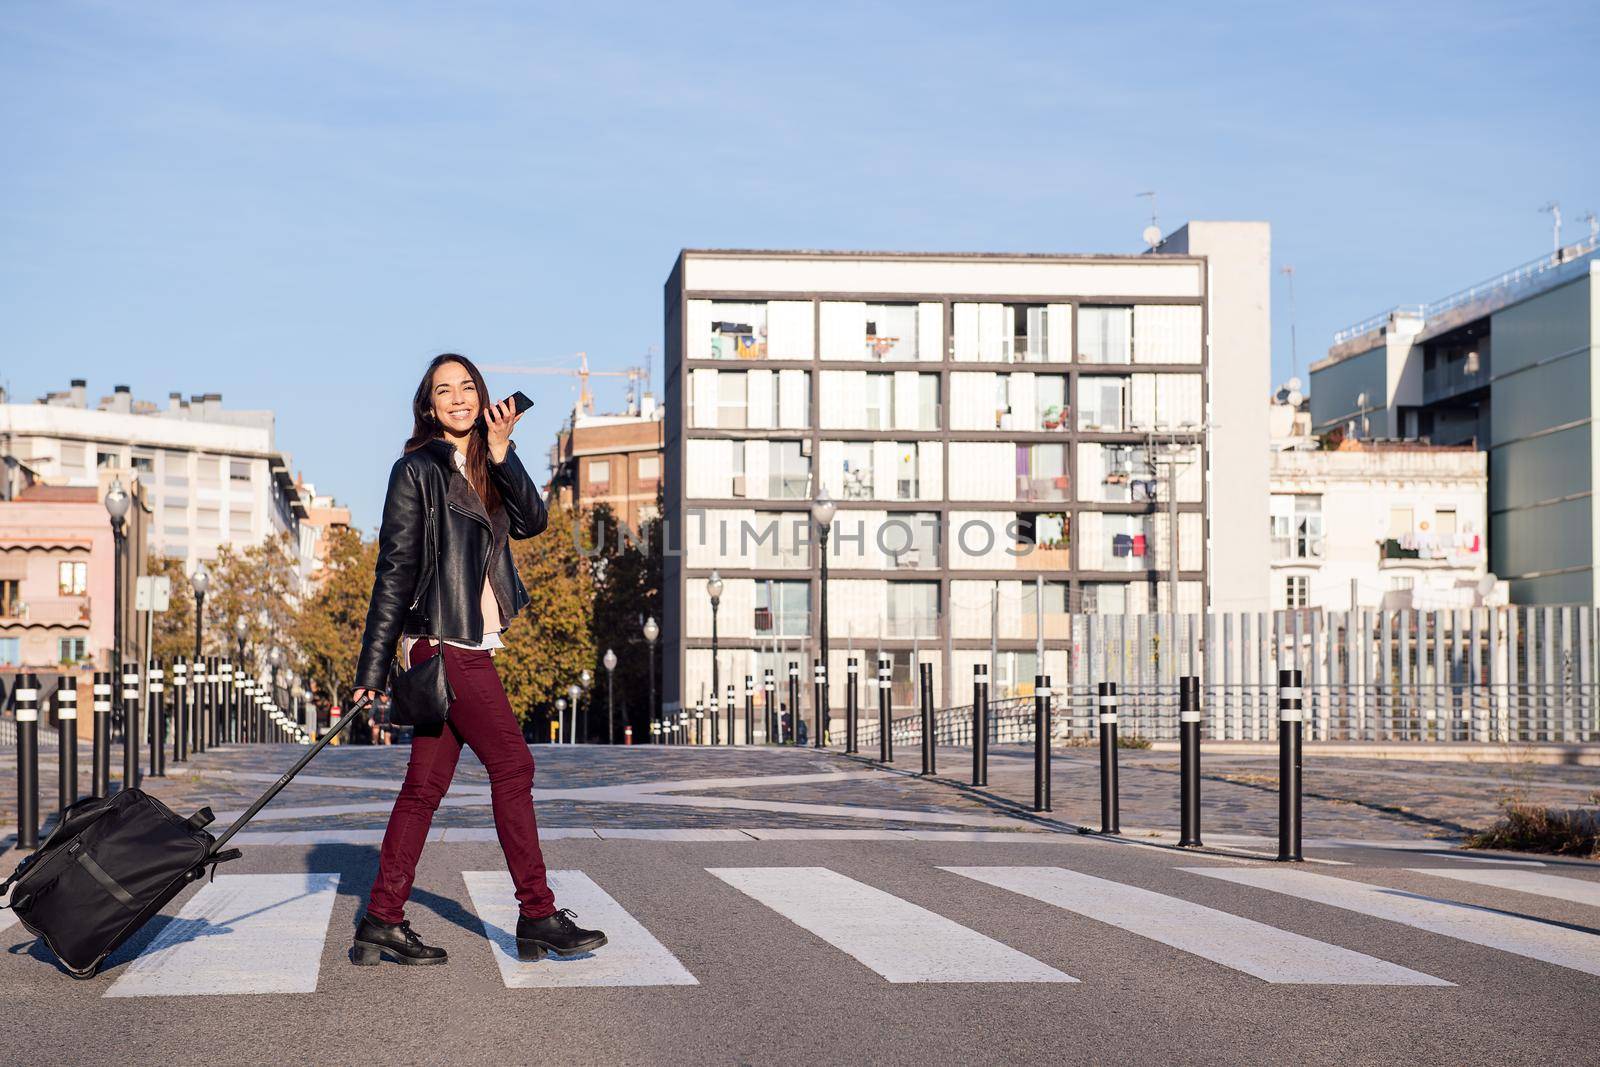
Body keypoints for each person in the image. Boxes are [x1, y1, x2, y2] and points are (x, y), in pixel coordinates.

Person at [348, 354, 605, 967]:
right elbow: (395, 569)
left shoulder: (486, 463)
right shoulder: (415, 470)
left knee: (422, 789)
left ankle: (382, 919)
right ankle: (537, 912)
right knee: (513, 767)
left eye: (467, 387)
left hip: (461, 642)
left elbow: (535, 521)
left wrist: (501, 449)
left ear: (481, 396)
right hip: (445, 642)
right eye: (445, 390)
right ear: (429, 405)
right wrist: (371, 669)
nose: (458, 397)